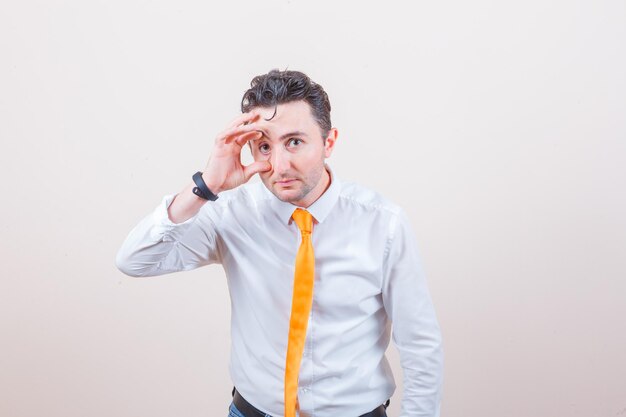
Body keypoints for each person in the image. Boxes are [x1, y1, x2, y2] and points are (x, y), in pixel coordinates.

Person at [116, 69, 443, 417]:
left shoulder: (383, 224)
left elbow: (420, 344)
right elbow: (135, 260)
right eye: (264, 147)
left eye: (295, 142)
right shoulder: (231, 213)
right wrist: (206, 185)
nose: (280, 165)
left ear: (328, 142)